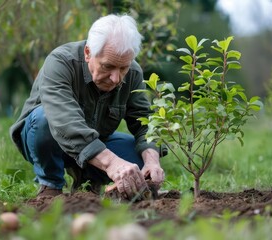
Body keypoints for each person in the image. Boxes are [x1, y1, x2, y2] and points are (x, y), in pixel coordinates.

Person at [9, 14, 165, 199]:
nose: (116, 78)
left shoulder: (133, 73)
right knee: (43, 119)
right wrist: (112, 164)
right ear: (88, 53)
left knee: (137, 162)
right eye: (108, 66)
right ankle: (50, 184)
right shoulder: (60, 63)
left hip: (96, 142)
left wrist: (152, 160)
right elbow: (65, 123)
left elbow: (144, 122)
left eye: (123, 68)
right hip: (50, 141)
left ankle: (89, 181)